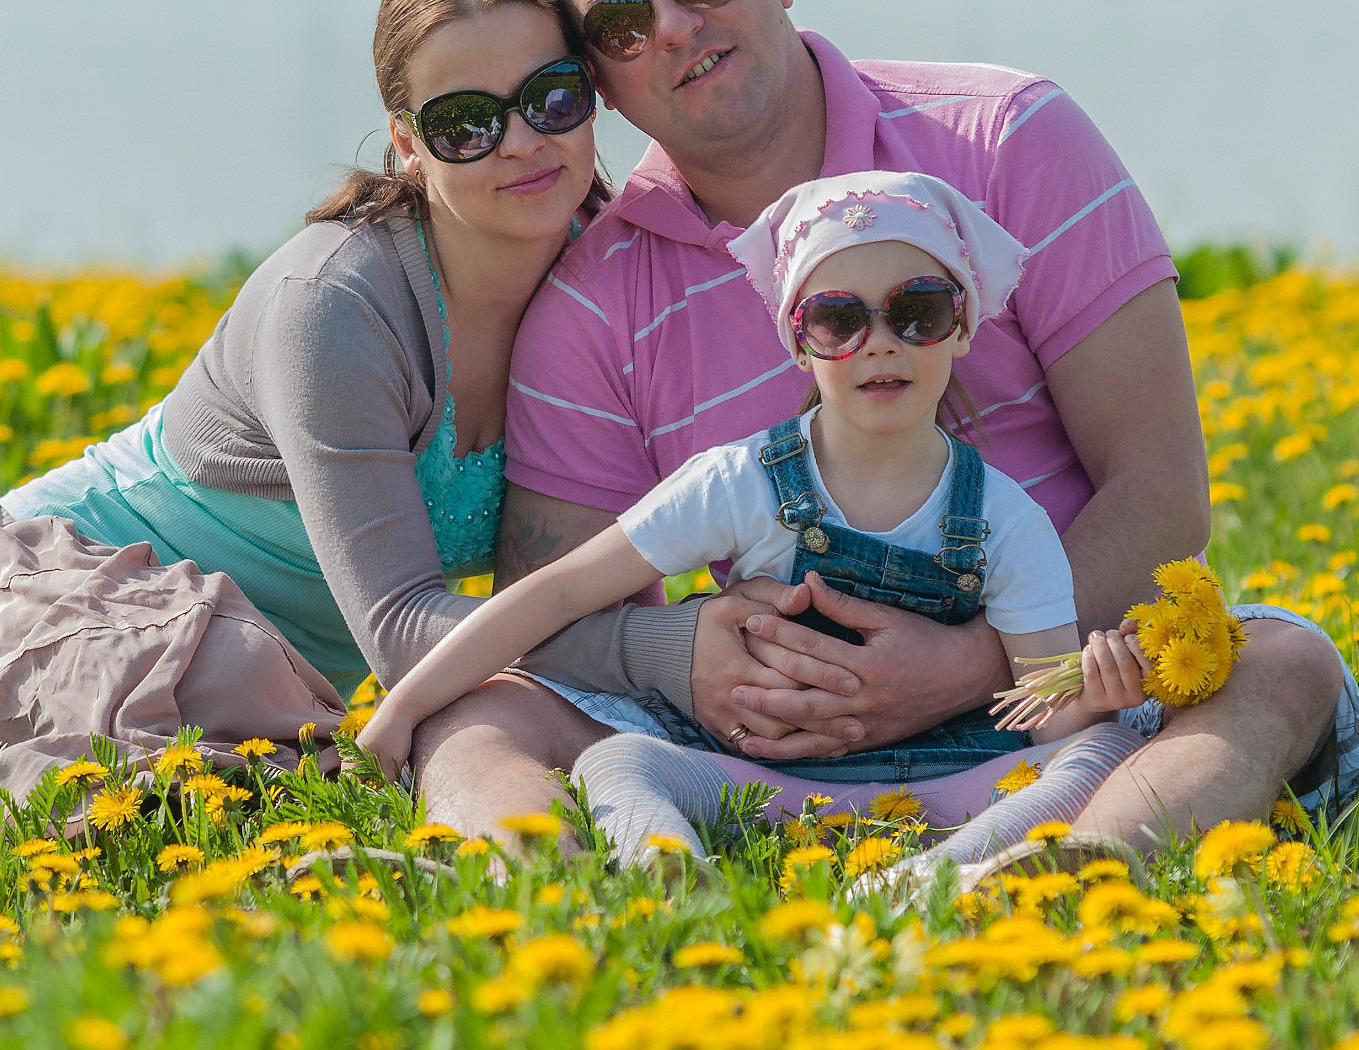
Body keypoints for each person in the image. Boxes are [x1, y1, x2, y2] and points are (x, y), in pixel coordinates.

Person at [409, 0, 1359, 856]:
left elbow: (1159, 488)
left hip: (1055, 708)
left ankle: (1073, 871)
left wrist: (973, 663)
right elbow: (554, 610)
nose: (669, 25)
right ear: (602, 87)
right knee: (481, 717)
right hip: (763, 742)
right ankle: (561, 904)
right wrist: (684, 653)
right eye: (618, 21)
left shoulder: (1010, 137)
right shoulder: (588, 299)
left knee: (1279, 658)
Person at [0, 0, 660, 809]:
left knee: (245, 730)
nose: (524, 140)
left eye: (552, 98)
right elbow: (403, 625)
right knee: (231, 725)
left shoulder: (608, 281)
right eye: (463, 122)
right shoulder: (336, 301)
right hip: (69, 589)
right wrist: (672, 655)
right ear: (407, 143)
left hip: (266, 673)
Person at [364, 171, 1152, 868]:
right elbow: (559, 594)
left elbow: (1042, 714)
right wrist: (400, 710)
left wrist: (1097, 693)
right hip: (759, 783)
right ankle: (665, 869)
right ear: (799, 344)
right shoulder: (743, 483)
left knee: (1099, 752)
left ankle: (926, 880)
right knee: (621, 763)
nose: (880, 345)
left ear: (965, 326)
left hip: (950, 782)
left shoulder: (1004, 521)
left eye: (918, 311)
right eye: (839, 320)